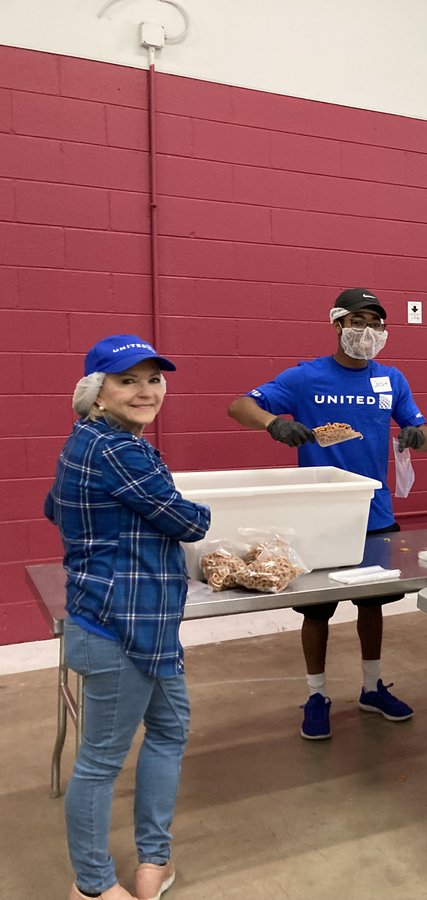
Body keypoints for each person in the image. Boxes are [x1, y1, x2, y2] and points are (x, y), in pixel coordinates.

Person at [46, 335, 212, 900]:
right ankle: (91, 887)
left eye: (154, 378)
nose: (146, 391)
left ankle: (153, 862)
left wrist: (110, 534)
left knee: (169, 729)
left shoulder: (86, 441)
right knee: (99, 762)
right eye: (127, 380)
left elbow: (52, 507)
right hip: (121, 627)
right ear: (96, 393)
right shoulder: (121, 450)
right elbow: (189, 522)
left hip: (143, 624)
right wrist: (192, 508)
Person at [227, 289, 427, 741]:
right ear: (337, 324)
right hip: (317, 517)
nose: (368, 331)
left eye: (376, 323)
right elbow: (239, 405)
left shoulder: (391, 379)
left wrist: (417, 434)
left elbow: (421, 426)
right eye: (358, 321)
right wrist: (273, 423)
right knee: (317, 611)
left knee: (374, 603)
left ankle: (372, 687)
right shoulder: (306, 377)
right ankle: (316, 695)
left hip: (374, 512)